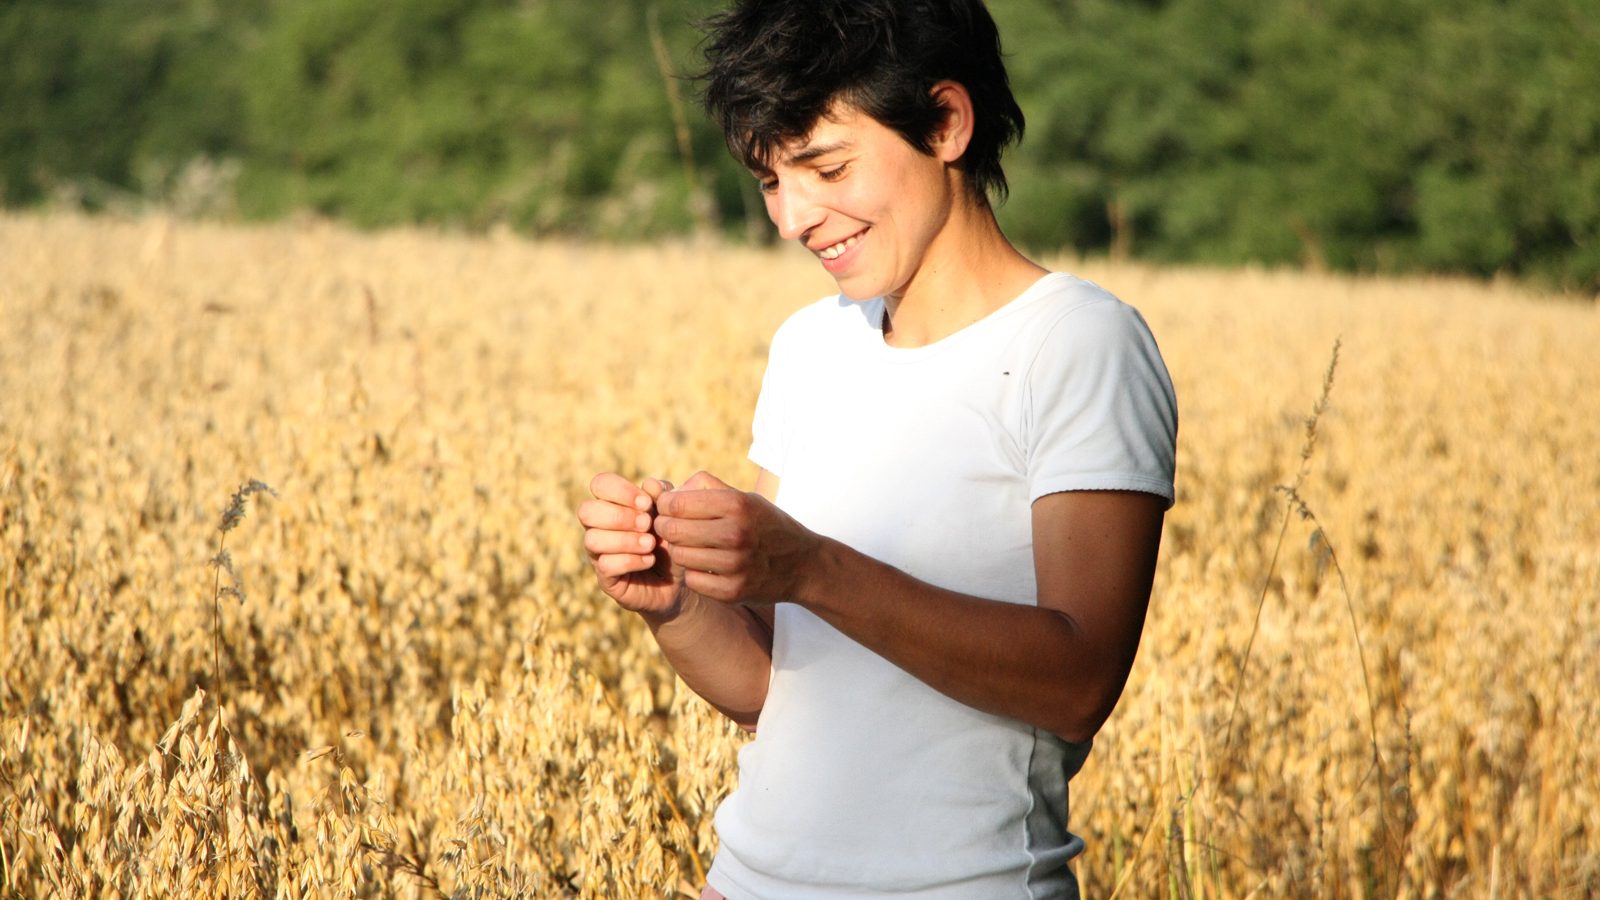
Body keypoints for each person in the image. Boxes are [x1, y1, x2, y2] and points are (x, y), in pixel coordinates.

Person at [577, 1, 1178, 896]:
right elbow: (773, 691)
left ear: (946, 122)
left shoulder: (1079, 343)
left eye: (825, 167)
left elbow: (1078, 682)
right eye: (771, 181)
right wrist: (675, 607)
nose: (793, 217)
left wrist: (811, 567)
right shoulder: (811, 346)